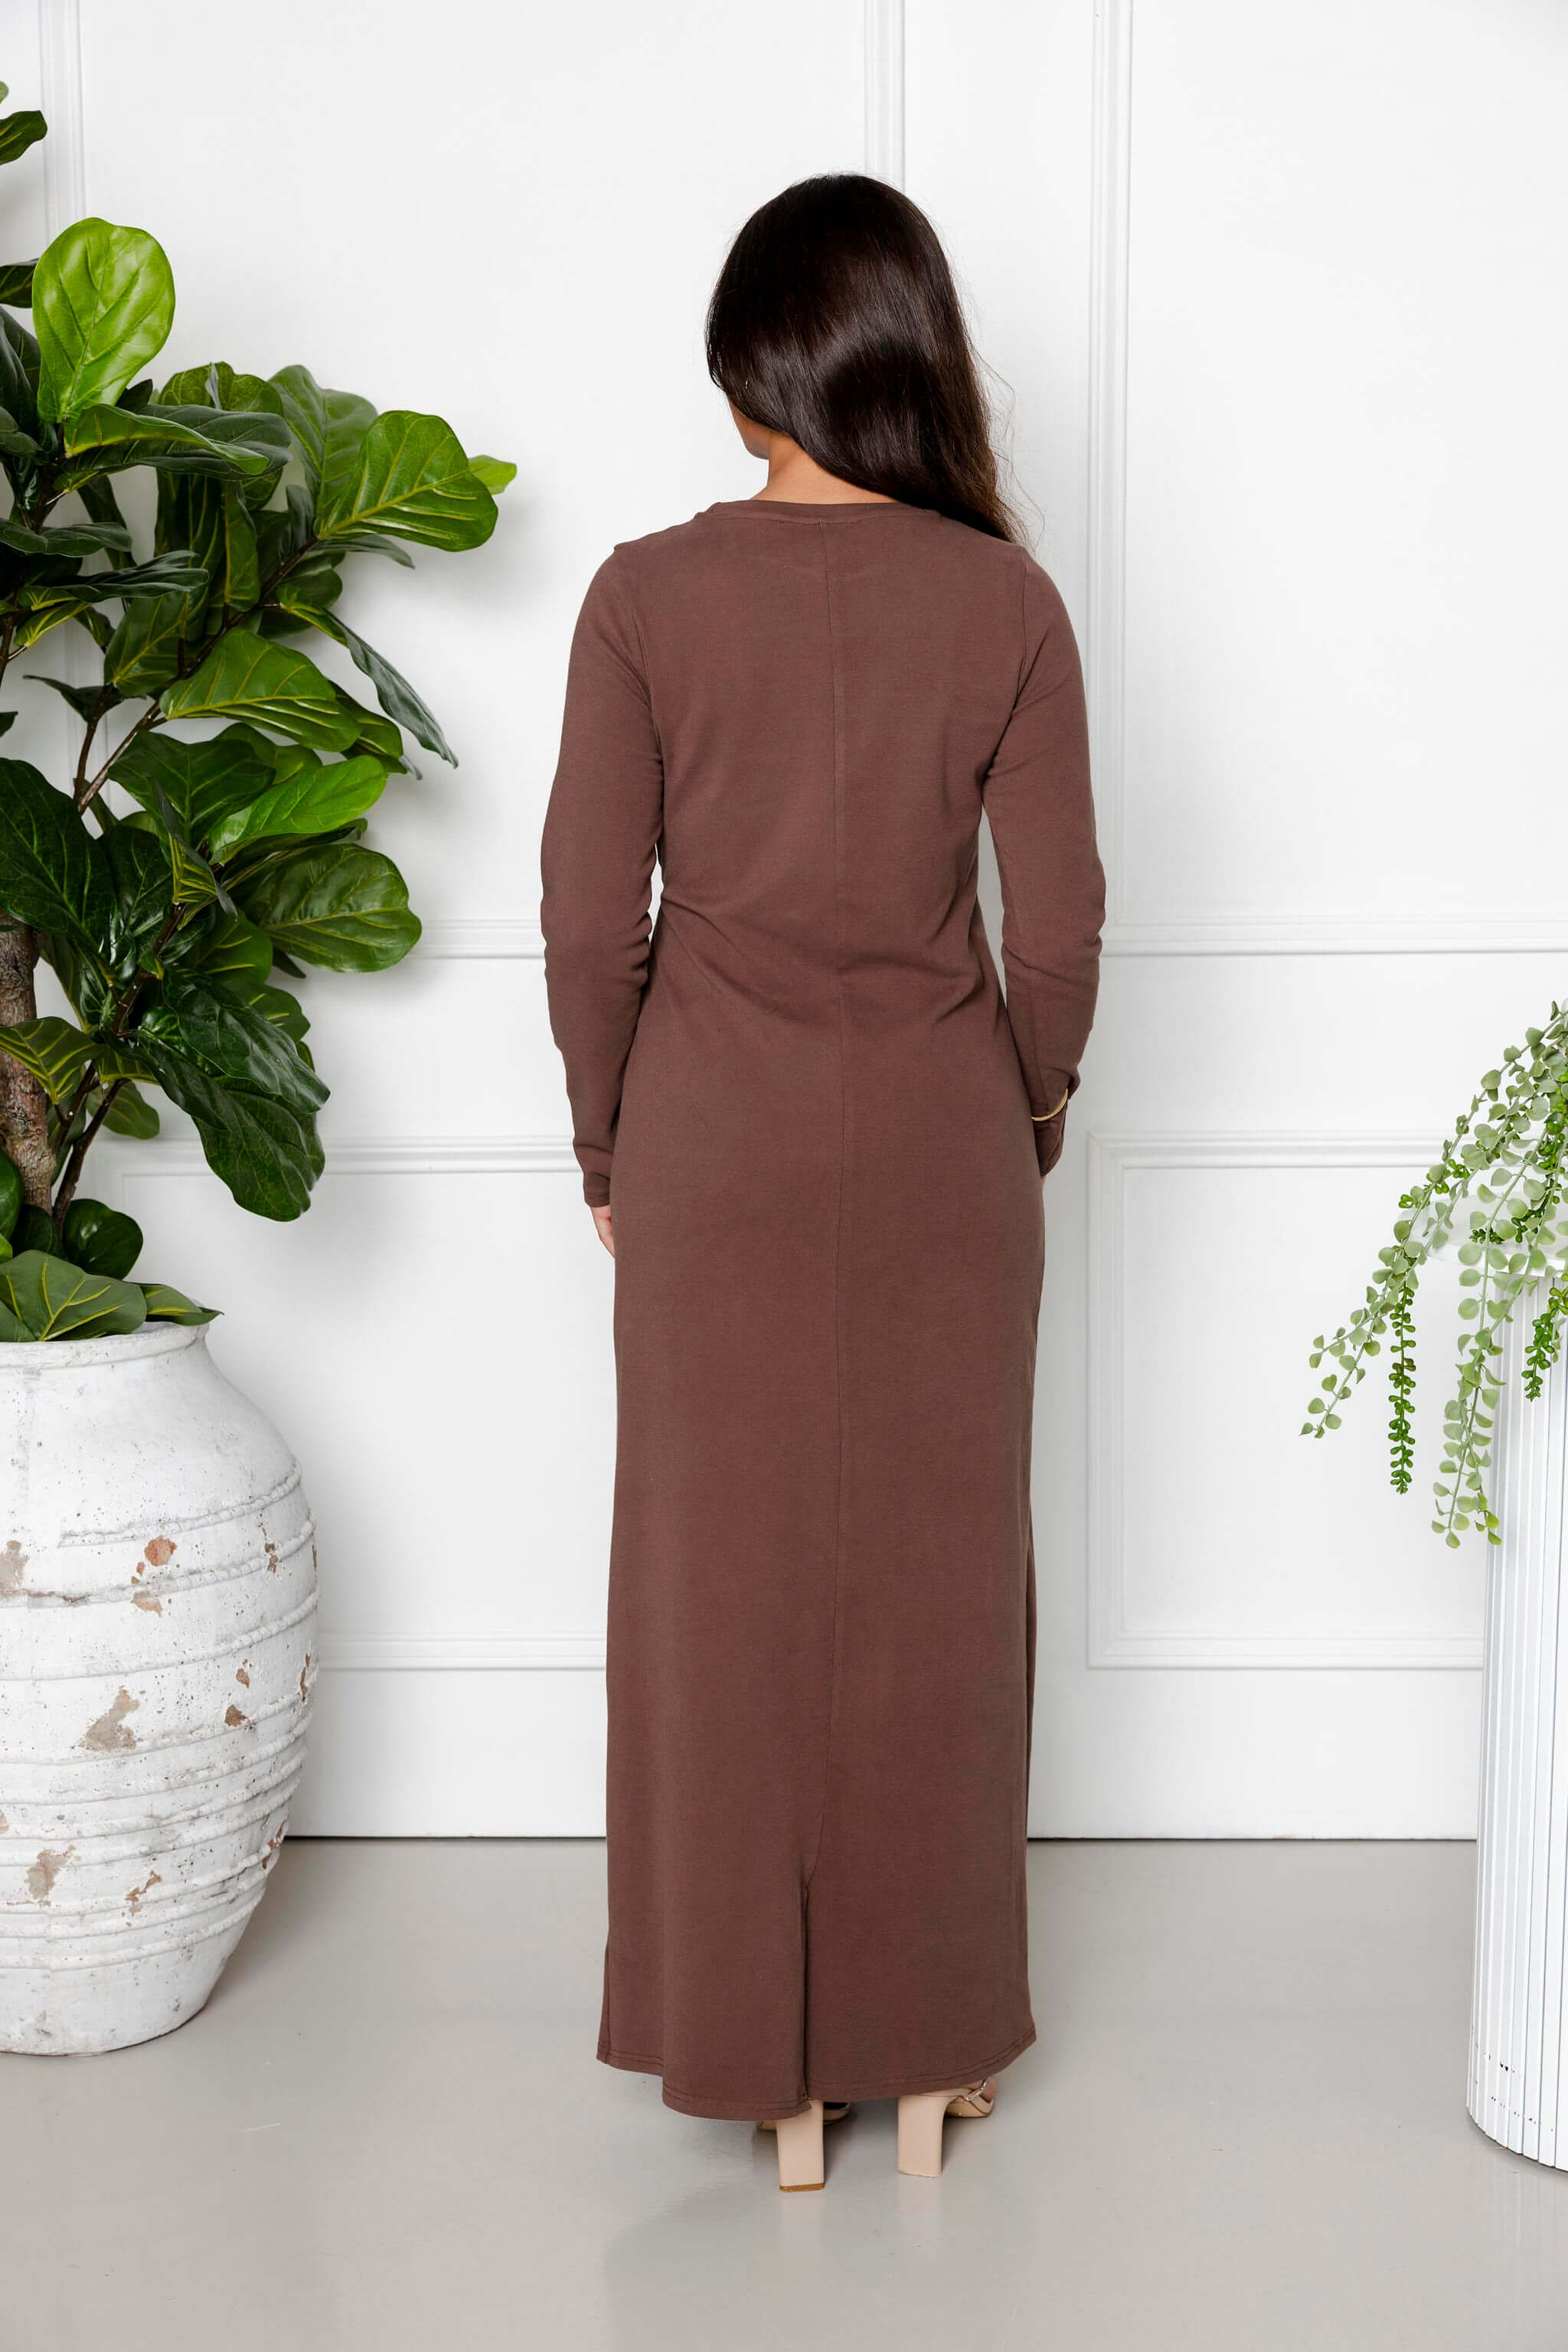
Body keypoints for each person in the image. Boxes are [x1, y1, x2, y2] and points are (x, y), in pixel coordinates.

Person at [541, 172, 1103, 2190]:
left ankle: (760, 2071)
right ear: (909, 358)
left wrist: (612, 1141)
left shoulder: (642, 597)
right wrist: (1017, 1115)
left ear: (750, 360)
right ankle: (932, 2048)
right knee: (939, 1604)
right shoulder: (1005, 603)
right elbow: (1056, 938)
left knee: (720, 1593)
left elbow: (589, 919)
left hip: (708, 1147)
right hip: (945, 1153)